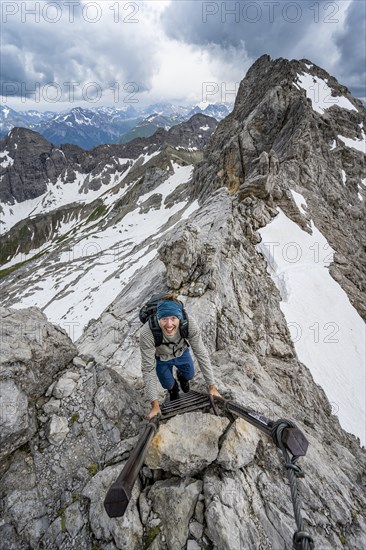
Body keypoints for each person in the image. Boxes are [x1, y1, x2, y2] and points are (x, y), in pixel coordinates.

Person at [140, 295, 221, 420]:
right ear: (158, 318)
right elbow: (147, 369)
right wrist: (155, 405)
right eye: (164, 319)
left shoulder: (189, 324)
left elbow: (201, 353)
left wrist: (212, 386)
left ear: (179, 317)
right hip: (161, 358)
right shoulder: (147, 332)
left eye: (173, 318)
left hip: (181, 352)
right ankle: (173, 389)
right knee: (167, 384)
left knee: (189, 375)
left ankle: (182, 377)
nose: (169, 324)